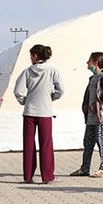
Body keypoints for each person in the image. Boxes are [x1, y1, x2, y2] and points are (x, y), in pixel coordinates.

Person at [14, 44, 64, 184]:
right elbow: (61, 90)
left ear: (35, 56)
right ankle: (47, 176)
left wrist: (25, 101)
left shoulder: (27, 72)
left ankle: (28, 176)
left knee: (29, 145)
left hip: (29, 112)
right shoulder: (52, 70)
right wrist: (51, 98)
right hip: (45, 112)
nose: (30, 58)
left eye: (31, 55)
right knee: (46, 145)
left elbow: (18, 91)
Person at [71, 52, 103, 178]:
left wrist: (99, 104)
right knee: (88, 142)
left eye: (89, 60)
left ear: (95, 62)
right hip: (91, 118)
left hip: (101, 117)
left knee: (102, 141)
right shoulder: (92, 79)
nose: (87, 63)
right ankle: (85, 168)